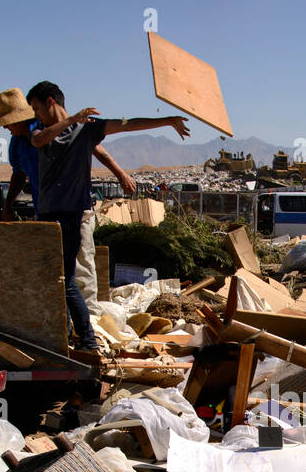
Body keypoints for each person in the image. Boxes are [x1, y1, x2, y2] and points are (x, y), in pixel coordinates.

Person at [25, 81, 190, 353]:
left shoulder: (87, 130)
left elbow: (126, 124)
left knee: (65, 281)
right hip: (46, 217)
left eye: (37, 108)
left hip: (69, 218)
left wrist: (167, 120)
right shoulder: (42, 131)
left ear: (50, 102)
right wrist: (74, 119)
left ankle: (86, 341)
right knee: (53, 280)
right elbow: (39, 140)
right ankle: (68, 336)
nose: (36, 115)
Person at [0, 88, 136, 221]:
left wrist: (121, 175)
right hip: (45, 211)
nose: (5, 127)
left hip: (74, 208)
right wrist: (7, 206)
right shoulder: (16, 144)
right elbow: (19, 175)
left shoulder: (51, 127)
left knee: (80, 249)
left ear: (20, 120)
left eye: (8, 122)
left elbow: (97, 149)